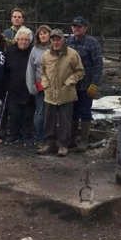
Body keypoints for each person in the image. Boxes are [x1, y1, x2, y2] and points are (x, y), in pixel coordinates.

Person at [38, 29, 84, 157]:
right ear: (51, 40)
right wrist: (45, 83)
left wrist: (69, 82)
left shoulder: (72, 54)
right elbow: (42, 71)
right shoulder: (46, 55)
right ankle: (50, 144)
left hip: (66, 93)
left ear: (63, 40)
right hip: (50, 93)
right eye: (53, 40)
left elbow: (80, 72)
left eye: (58, 40)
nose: (56, 42)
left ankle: (63, 145)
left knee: (65, 120)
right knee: (49, 119)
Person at [67, 16, 103, 152]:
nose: (76, 29)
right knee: (73, 112)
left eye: (79, 27)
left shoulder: (92, 43)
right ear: (72, 28)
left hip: (86, 85)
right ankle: (71, 138)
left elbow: (98, 64)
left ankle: (83, 139)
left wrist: (94, 84)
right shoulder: (68, 41)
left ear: (85, 28)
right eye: (74, 26)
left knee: (85, 112)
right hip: (71, 85)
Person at [4, 27, 35, 145]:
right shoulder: (11, 51)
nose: (23, 42)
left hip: (29, 88)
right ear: (17, 40)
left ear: (30, 41)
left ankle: (27, 136)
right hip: (13, 87)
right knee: (14, 114)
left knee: (28, 114)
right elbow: (6, 69)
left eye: (26, 40)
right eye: (21, 39)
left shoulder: (33, 51)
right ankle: (13, 135)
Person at [26, 25, 52, 143]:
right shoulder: (35, 49)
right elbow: (31, 68)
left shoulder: (55, 47)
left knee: (52, 113)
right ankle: (40, 138)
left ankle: (51, 137)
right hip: (40, 86)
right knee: (40, 112)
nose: (43, 35)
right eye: (40, 34)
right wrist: (32, 86)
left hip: (54, 86)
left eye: (45, 33)